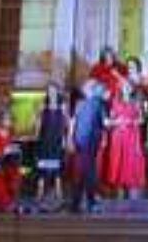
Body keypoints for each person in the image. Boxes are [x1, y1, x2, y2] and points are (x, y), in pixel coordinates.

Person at [67, 79, 108, 213]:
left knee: (85, 170)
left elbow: (104, 123)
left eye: (90, 87)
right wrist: (70, 138)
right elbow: (73, 122)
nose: (87, 89)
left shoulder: (97, 103)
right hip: (83, 140)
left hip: (89, 140)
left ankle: (79, 202)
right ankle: (86, 201)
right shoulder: (82, 104)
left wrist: (117, 122)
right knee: (86, 170)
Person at [102, 80, 147, 198]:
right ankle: (119, 187)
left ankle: (130, 184)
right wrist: (117, 121)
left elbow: (142, 119)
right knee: (119, 160)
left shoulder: (136, 102)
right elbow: (109, 121)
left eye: (128, 86)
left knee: (130, 160)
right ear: (121, 88)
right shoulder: (115, 102)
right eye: (124, 86)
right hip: (118, 135)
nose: (126, 88)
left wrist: (132, 121)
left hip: (131, 135)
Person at [34, 83, 69, 204]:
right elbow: (37, 125)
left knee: (57, 169)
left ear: (57, 92)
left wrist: (65, 138)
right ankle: (39, 194)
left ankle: (59, 194)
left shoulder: (62, 106)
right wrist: (36, 118)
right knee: (42, 168)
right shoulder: (42, 106)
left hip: (57, 140)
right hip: (45, 140)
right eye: (49, 91)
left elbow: (66, 124)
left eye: (53, 91)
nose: (51, 93)